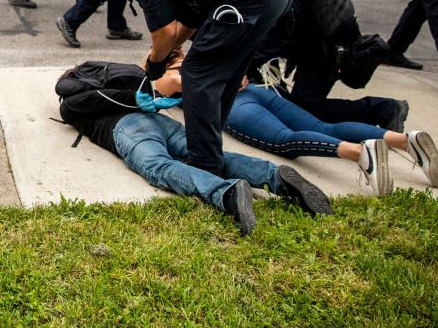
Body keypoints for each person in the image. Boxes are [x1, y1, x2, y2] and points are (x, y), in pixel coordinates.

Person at [93, 0, 293, 178]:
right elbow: (185, 24)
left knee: (197, 73)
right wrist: (163, 56)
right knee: (226, 73)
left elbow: (164, 33)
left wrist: (155, 62)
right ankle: (208, 147)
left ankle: (205, 166)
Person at [56, 60, 332, 236]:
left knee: (160, 167)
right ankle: (274, 175)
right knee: (205, 155)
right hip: (159, 120)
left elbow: (70, 111)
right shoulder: (118, 81)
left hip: (127, 129)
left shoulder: (73, 102)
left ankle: (225, 193)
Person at [248, 0, 407, 130]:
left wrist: (244, 68)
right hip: (314, 40)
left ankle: (386, 109)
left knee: (304, 110)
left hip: (328, 47)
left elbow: (279, 36)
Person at [225, 84, 438, 197]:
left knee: (284, 140)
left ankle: (360, 154)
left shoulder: (190, 44)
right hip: (253, 89)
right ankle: (405, 141)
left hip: (225, 100)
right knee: (321, 126)